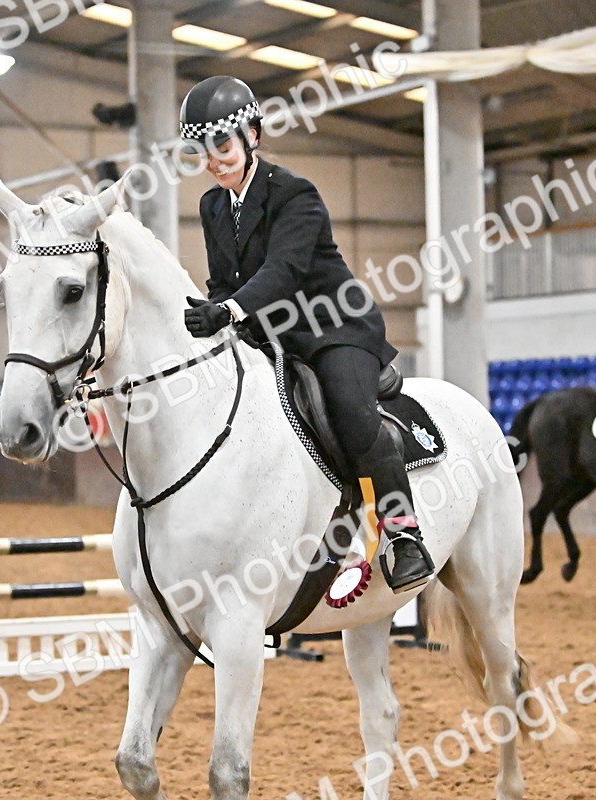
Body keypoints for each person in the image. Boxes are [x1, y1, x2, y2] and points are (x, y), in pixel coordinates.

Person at [178, 75, 434, 593]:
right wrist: (208, 314)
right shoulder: (212, 207)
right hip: (268, 331)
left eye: (222, 146)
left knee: (347, 406)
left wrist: (227, 310)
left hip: (332, 324)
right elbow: (224, 282)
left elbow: (284, 272)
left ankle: (404, 535)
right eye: (203, 153)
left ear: (252, 134)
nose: (214, 161)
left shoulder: (295, 193)